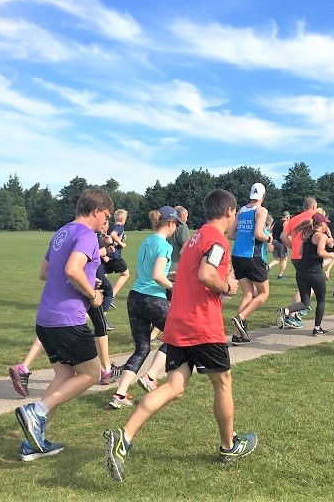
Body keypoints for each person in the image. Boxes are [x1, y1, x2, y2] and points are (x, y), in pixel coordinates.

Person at [103, 189, 257, 482]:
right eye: (235, 213)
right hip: (202, 325)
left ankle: (124, 436)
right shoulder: (217, 239)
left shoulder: (196, 237)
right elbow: (206, 274)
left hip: (177, 322)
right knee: (222, 383)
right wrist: (228, 287)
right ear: (229, 212)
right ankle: (229, 446)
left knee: (174, 386)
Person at [13, 188, 113, 461]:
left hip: (45, 319)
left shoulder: (62, 232)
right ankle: (38, 411)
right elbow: (72, 270)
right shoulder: (86, 235)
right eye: (106, 215)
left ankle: (35, 441)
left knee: (64, 376)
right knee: (91, 374)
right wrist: (93, 295)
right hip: (67, 320)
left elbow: (45, 272)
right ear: (96, 211)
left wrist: (86, 279)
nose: (107, 221)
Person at [109, 206, 177, 409]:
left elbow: (148, 273)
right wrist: (172, 285)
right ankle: (150, 376)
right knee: (177, 336)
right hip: (153, 299)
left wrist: (168, 276)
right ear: (170, 224)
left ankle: (120, 395)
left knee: (142, 348)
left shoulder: (146, 241)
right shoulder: (165, 246)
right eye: (176, 224)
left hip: (135, 298)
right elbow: (157, 276)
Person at [277, 213, 334, 334]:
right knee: (321, 300)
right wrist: (330, 255)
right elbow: (320, 252)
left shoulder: (306, 235)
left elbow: (299, 250)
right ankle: (317, 328)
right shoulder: (321, 236)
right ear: (322, 224)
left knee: (305, 302)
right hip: (315, 271)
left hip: (301, 272)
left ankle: (286, 311)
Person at [229, 183, 272, 345]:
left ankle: (237, 335)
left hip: (237, 255)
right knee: (264, 293)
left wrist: (244, 234)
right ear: (263, 196)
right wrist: (268, 238)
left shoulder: (241, 210)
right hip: (251, 256)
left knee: (248, 293)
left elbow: (231, 234)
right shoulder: (261, 210)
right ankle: (241, 318)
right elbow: (258, 234)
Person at [168, 206, 191, 272]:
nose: (186, 219)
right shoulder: (182, 226)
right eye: (187, 216)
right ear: (182, 215)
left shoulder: (167, 225)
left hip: (164, 264)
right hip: (176, 264)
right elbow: (185, 247)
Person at [268, 211, 290, 279]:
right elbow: (285, 233)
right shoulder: (286, 223)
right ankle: (280, 275)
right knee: (284, 259)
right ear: (287, 217)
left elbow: (270, 230)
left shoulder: (276, 222)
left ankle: (268, 266)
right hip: (281, 243)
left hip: (274, 241)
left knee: (277, 259)